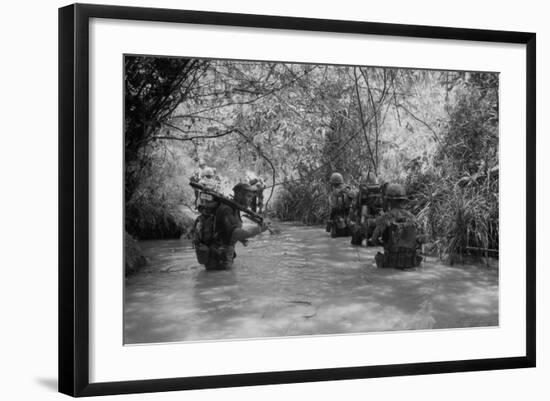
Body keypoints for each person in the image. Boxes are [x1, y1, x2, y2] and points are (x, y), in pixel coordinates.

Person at [193, 182, 269, 270]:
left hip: (221, 255)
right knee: (226, 281)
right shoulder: (226, 209)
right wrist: (259, 229)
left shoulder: (233, 208)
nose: (251, 200)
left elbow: (225, 230)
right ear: (239, 195)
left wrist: (241, 239)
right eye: (248, 196)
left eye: (252, 197)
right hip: (219, 258)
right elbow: (235, 233)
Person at [369, 183, 422, 269]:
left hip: (390, 262)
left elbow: (374, 239)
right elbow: (420, 240)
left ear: (389, 201)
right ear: (403, 200)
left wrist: (383, 244)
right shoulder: (412, 217)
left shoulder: (386, 217)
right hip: (410, 263)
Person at [350, 172, 384, 245]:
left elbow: (354, 208)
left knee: (361, 221)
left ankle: (364, 239)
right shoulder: (379, 192)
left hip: (365, 220)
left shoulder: (361, 193)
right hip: (377, 219)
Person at [327, 172, 354, 237]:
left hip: (341, 211)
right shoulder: (346, 188)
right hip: (346, 211)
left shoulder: (337, 190)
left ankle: (332, 226)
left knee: (333, 213)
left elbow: (333, 205)